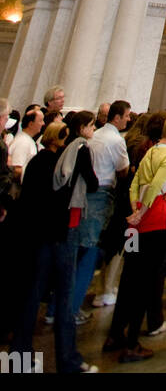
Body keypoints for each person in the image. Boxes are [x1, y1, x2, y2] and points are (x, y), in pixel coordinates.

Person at [12, 120, 99, 373]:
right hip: (64, 232)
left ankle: (19, 359)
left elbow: (27, 197)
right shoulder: (74, 157)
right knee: (65, 297)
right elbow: (92, 184)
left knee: (32, 295)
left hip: (38, 236)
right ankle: (68, 360)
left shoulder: (38, 161)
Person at [105, 110, 166, 363]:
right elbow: (155, 187)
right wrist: (142, 213)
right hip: (154, 224)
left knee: (130, 275)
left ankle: (115, 332)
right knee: (146, 281)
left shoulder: (144, 150)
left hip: (134, 226)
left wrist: (134, 211)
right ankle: (131, 344)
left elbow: (134, 183)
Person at [71, 99, 131, 317]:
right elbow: (123, 170)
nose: (129, 119)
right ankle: (72, 308)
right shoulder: (116, 140)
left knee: (79, 251)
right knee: (89, 251)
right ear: (117, 117)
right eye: (126, 116)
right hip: (101, 194)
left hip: (85, 194)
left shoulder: (94, 136)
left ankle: (61, 305)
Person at [54, 110, 99, 332]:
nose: (94, 129)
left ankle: (58, 309)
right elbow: (90, 179)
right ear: (81, 128)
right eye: (91, 125)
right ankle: (66, 311)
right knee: (70, 261)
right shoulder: (82, 147)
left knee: (68, 259)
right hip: (73, 206)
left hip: (68, 207)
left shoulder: (69, 145)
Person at [9, 105, 45, 181]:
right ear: (31, 124)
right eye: (41, 120)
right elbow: (15, 170)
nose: (43, 123)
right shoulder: (23, 142)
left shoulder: (27, 140)